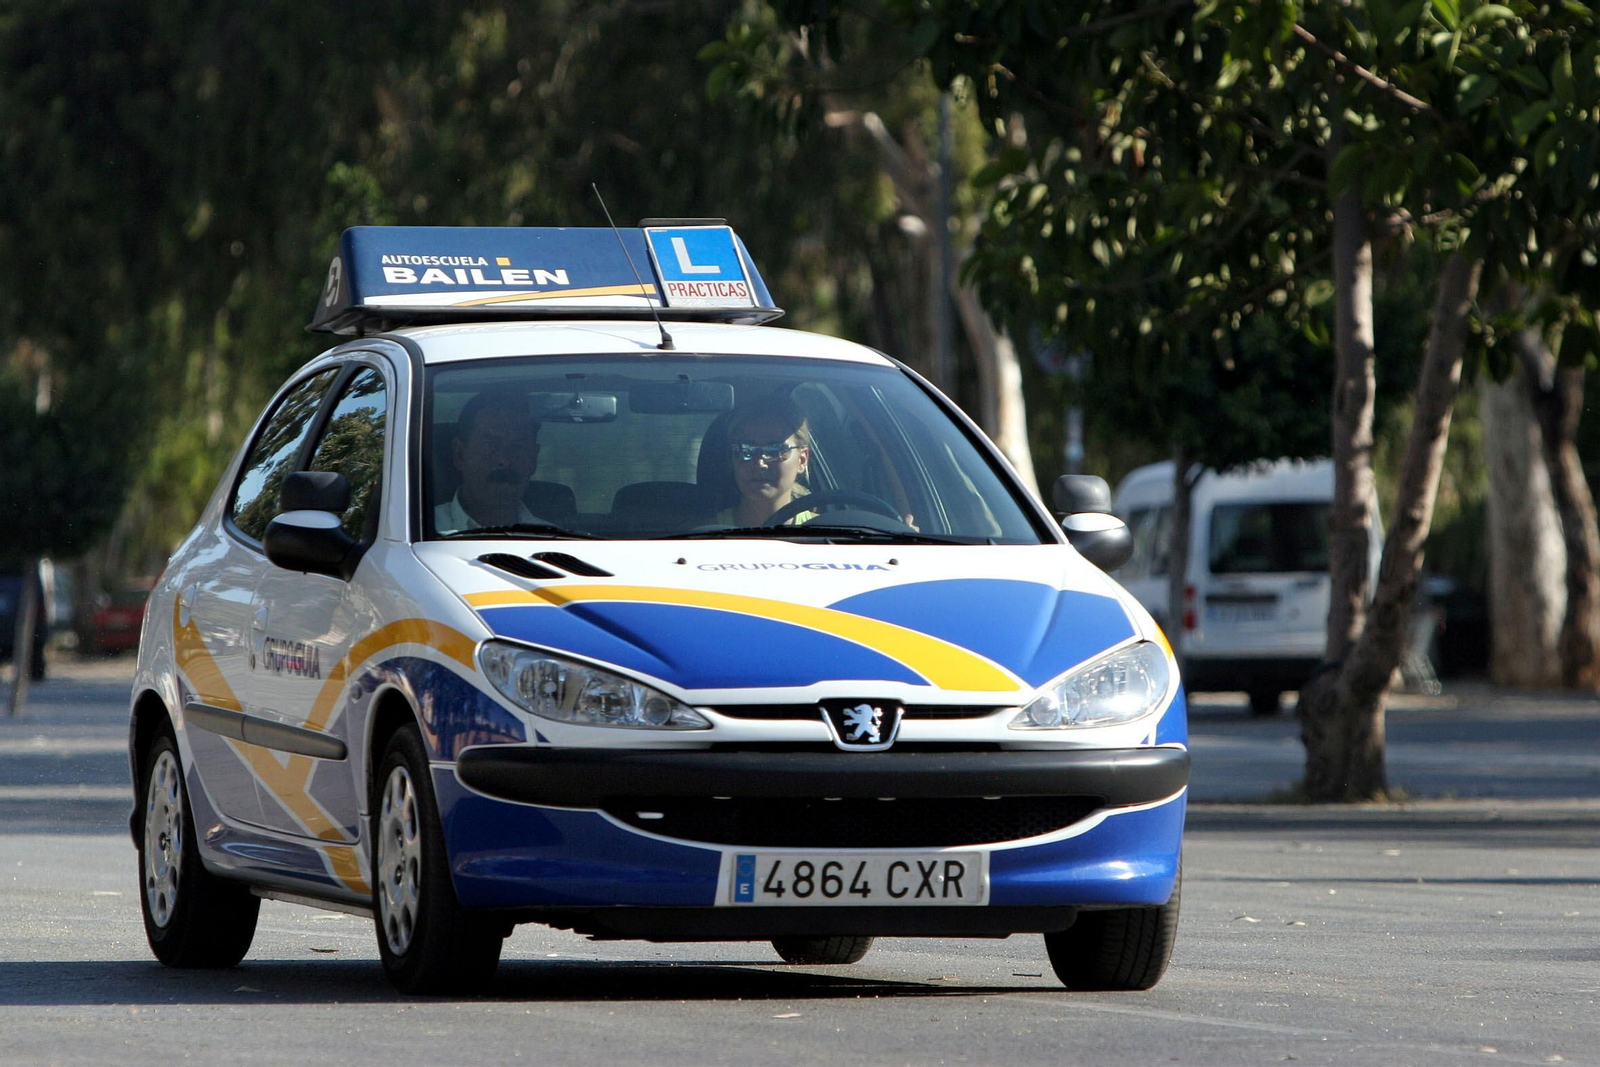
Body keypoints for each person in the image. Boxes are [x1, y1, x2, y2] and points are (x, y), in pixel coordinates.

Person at [434, 393, 542, 534]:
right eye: (490, 445)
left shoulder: (559, 543)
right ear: (460, 455)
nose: (504, 460)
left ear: (533, 458)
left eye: (517, 446)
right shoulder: (411, 532)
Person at [715, 395, 816, 527]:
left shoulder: (830, 532)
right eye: (745, 450)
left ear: (802, 460)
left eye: (775, 450)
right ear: (732, 458)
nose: (759, 463)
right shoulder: (698, 537)